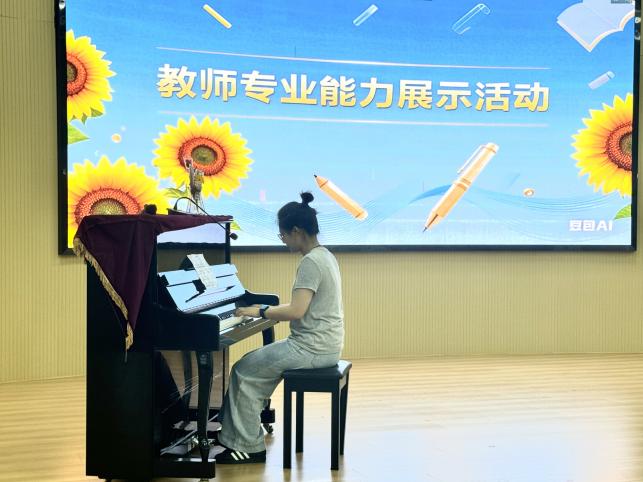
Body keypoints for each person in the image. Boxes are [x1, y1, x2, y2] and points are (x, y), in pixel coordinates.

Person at [215, 191, 344, 464]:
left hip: (311, 348)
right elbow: (301, 306)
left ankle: (248, 447)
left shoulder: (310, 262)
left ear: (296, 231)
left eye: (283, 234)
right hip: (325, 344)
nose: (283, 240)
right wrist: (265, 311)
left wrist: (259, 311)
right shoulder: (325, 255)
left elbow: (296, 311)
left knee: (243, 371)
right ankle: (240, 429)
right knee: (252, 363)